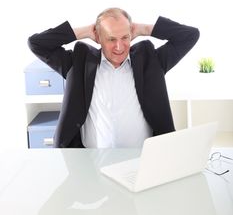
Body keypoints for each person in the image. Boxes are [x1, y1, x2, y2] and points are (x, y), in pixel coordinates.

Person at [28, 8, 200, 148]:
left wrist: (145, 29)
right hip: (91, 162)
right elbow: (37, 43)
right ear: (98, 38)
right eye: (111, 39)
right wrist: (83, 32)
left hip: (143, 160)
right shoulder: (79, 63)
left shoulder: (150, 60)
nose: (119, 47)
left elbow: (190, 35)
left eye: (125, 37)